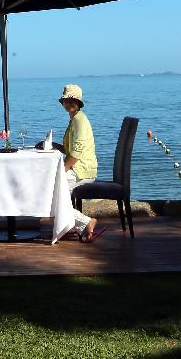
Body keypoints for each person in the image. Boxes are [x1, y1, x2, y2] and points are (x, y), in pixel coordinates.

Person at [58, 83, 104, 242]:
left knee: (51, 193)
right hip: (78, 168)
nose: (69, 103)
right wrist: (54, 146)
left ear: (78, 103)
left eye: (73, 100)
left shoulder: (79, 120)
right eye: (66, 100)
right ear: (63, 102)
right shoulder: (74, 119)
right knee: (53, 192)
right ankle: (71, 225)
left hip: (82, 170)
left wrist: (63, 170)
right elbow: (70, 149)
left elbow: (76, 153)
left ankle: (86, 222)